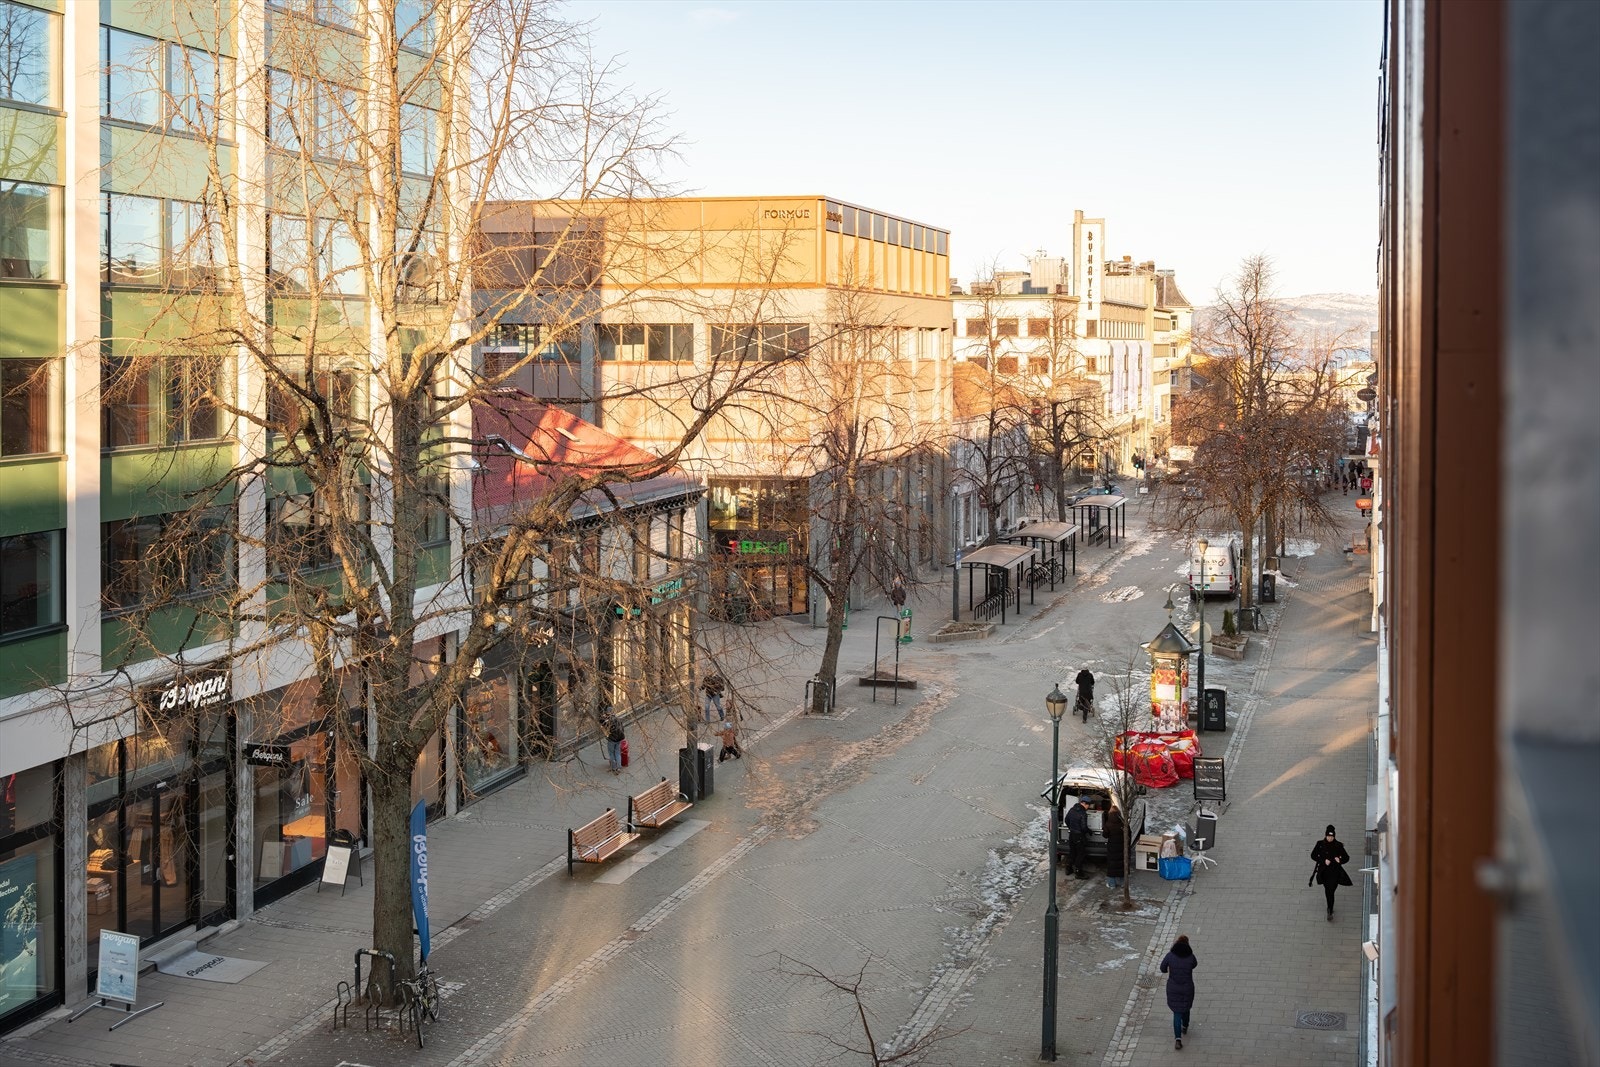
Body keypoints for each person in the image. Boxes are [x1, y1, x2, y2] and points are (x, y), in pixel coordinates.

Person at [1159, 934, 1199, 1050]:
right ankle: (1185, 1026)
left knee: (1177, 1012)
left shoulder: (1170, 956)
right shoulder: (1190, 956)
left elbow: (1162, 968)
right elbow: (1194, 965)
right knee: (1186, 1008)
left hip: (1173, 988)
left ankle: (1178, 1039)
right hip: (1187, 987)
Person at [1311, 824, 1353, 920]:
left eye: (1332, 836)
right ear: (1325, 835)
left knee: (1331, 891)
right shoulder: (1320, 844)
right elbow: (1313, 855)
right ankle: (1330, 909)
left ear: (1334, 836)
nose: (1330, 838)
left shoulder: (1338, 845)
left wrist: (1340, 860)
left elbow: (1346, 857)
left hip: (1335, 873)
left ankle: (1330, 907)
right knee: (1329, 891)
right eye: (1328, 836)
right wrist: (1323, 860)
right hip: (1324, 873)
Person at [1063, 795, 1091, 879]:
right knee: (1081, 854)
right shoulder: (1083, 813)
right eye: (1088, 805)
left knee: (1072, 852)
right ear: (1085, 804)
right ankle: (1078, 873)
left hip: (1072, 835)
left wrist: (1071, 828)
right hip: (1079, 836)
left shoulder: (1072, 809)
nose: (1088, 807)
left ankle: (1068, 868)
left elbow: (1066, 820)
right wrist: (1089, 831)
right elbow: (1083, 827)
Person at [1103, 804, 1126, 889]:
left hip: (1112, 847)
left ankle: (1111, 884)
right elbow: (1129, 833)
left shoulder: (1108, 823)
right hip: (1121, 846)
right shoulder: (1123, 822)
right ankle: (1122, 883)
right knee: (1121, 865)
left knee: (1112, 865)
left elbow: (1105, 835)